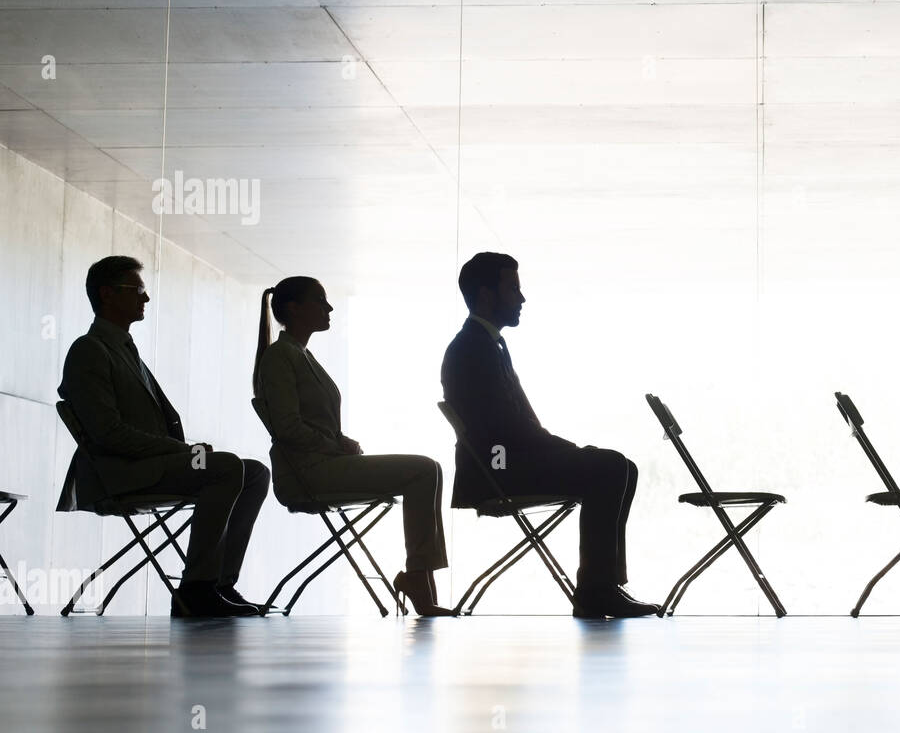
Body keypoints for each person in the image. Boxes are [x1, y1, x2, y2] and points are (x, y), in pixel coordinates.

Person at [440, 252, 656, 618]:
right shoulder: (473, 349)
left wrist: (558, 450)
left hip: (507, 460)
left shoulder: (484, 344)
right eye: (513, 289)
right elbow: (501, 431)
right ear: (486, 294)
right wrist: (560, 451)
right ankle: (595, 590)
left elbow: (511, 426)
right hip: (500, 468)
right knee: (611, 467)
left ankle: (605, 584)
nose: (521, 299)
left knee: (622, 467)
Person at [57, 256, 268, 617]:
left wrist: (182, 452)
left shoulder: (123, 349)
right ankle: (196, 590)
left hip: (155, 463)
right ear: (107, 294)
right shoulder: (89, 350)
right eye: (137, 290)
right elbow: (108, 433)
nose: (146, 299)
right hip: (122, 472)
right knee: (226, 466)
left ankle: (218, 583)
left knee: (255, 472)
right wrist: (182, 451)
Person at [253, 276, 453, 616]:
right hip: (308, 473)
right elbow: (287, 428)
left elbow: (311, 425)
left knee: (428, 468)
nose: (329, 308)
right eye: (320, 300)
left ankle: (419, 577)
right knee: (423, 469)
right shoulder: (279, 357)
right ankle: (418, 579)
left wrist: (339, 441)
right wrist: (334, 445)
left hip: (324, 464)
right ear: (294, 308)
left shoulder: (301, 355)